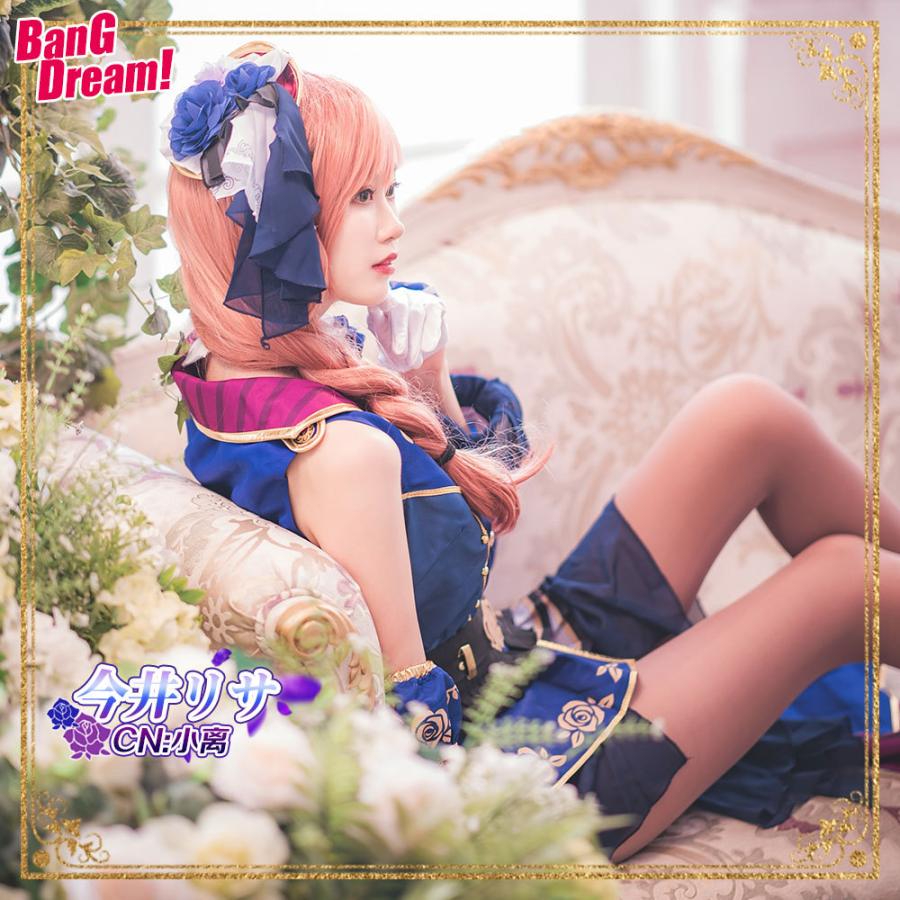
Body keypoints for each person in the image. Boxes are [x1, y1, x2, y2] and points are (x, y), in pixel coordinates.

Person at [160, 42, 900, 863]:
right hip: (526, 771)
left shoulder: (233, 369)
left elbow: (445, 547)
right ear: (281, 226)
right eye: (362, 196)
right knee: (843, 580)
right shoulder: (339, 454)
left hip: (519, 657)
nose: (394, 224)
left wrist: (425, 379)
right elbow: (415, 736)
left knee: (745, 415)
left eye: (390, 190)